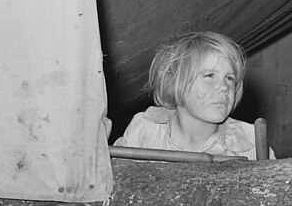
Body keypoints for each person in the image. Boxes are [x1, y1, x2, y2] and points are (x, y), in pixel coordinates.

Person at [113, 31, 271, 160]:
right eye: (209, 75)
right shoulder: (146, 129)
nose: (224, 87)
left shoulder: (250, 142)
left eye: (230, 78)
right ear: (175, 83)